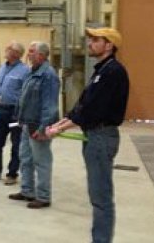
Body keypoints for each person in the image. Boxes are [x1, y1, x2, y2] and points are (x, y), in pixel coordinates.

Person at [47, 27, 129, 243]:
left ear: (109, 45)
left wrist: (60, 129)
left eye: (95, 40)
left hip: (101, 136)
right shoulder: (102, 71)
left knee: (101, 197)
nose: (90, 43)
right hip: (94, 135)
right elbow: (82, 106)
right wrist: (60, 123)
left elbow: (92, 110)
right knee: (97, 195)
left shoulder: (112, 72)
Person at [8, 41, 59, 209]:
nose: (28, 55)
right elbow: (25, 97)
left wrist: (44, 127)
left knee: (41, 161)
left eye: (32, 52)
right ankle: (27, 191)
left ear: (42, 56)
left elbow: (49, 105)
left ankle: (43, 197)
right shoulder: (32, 72)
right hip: (27, 123)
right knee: (26, 158)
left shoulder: (48, 75)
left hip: (38, 125)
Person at [0, 41, 30, 185]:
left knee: (16, 143)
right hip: (1, 110)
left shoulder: (24, 71)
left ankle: (12, 174)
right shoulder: (2, 68)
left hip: (15, 113)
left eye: (8, 49)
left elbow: (26, 94)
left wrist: (22, 113)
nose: (5, 50)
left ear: (16, 53)